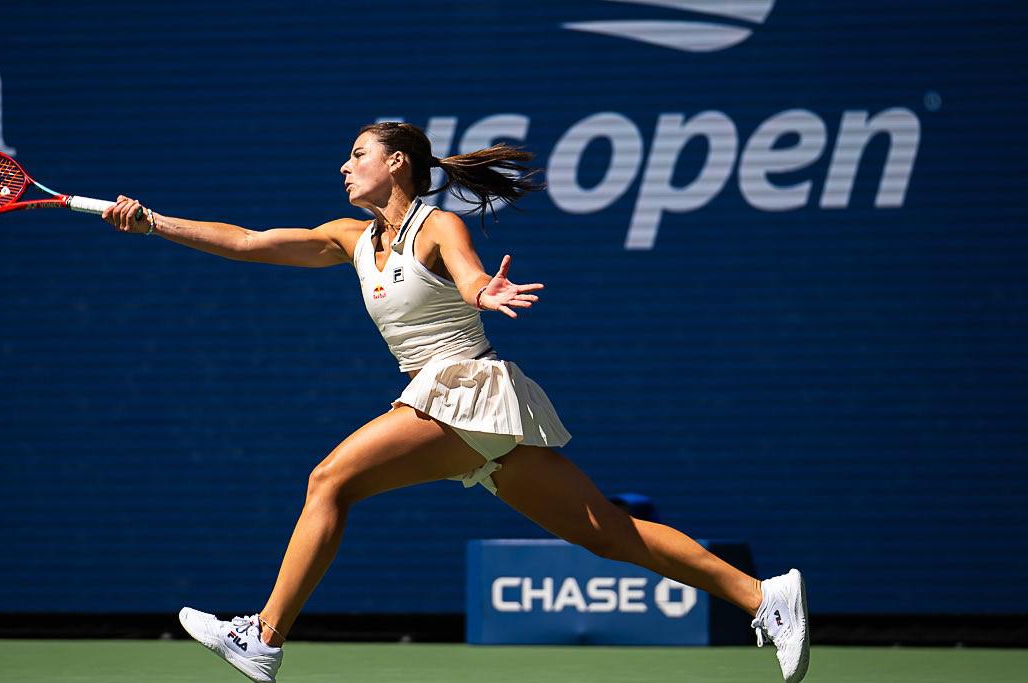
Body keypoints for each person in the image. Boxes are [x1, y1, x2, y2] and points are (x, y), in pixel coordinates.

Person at [101, 121, 810, 683]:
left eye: (357, 155)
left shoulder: (435, 226)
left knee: (329, 480)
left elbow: (468, 274)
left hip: (463, 391)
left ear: (398, 163)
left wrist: (483, 293)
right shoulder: (350, 238)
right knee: (608, 533)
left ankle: (263, 634)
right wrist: (154, 222)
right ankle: (763, 596)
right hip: (469, 412)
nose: (345, 167)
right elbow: (251, 242)